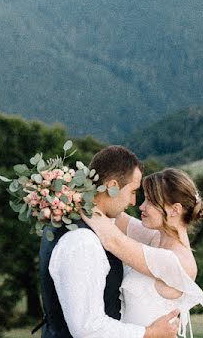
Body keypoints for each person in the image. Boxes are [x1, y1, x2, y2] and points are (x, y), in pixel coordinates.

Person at [38, 145, 179, 338]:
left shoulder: (65, 218)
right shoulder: (83, 242)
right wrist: (149, 333)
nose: (132, 202)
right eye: (132, 191)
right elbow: (87, 328)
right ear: (112, 187)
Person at [83, 168, 203, 338]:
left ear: (175, 210)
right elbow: (115, 216)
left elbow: (113, 240)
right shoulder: (156, 238)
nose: (141, 206)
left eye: (150, 201)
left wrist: (74, 200)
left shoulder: (179, 261)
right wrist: (80, 190)